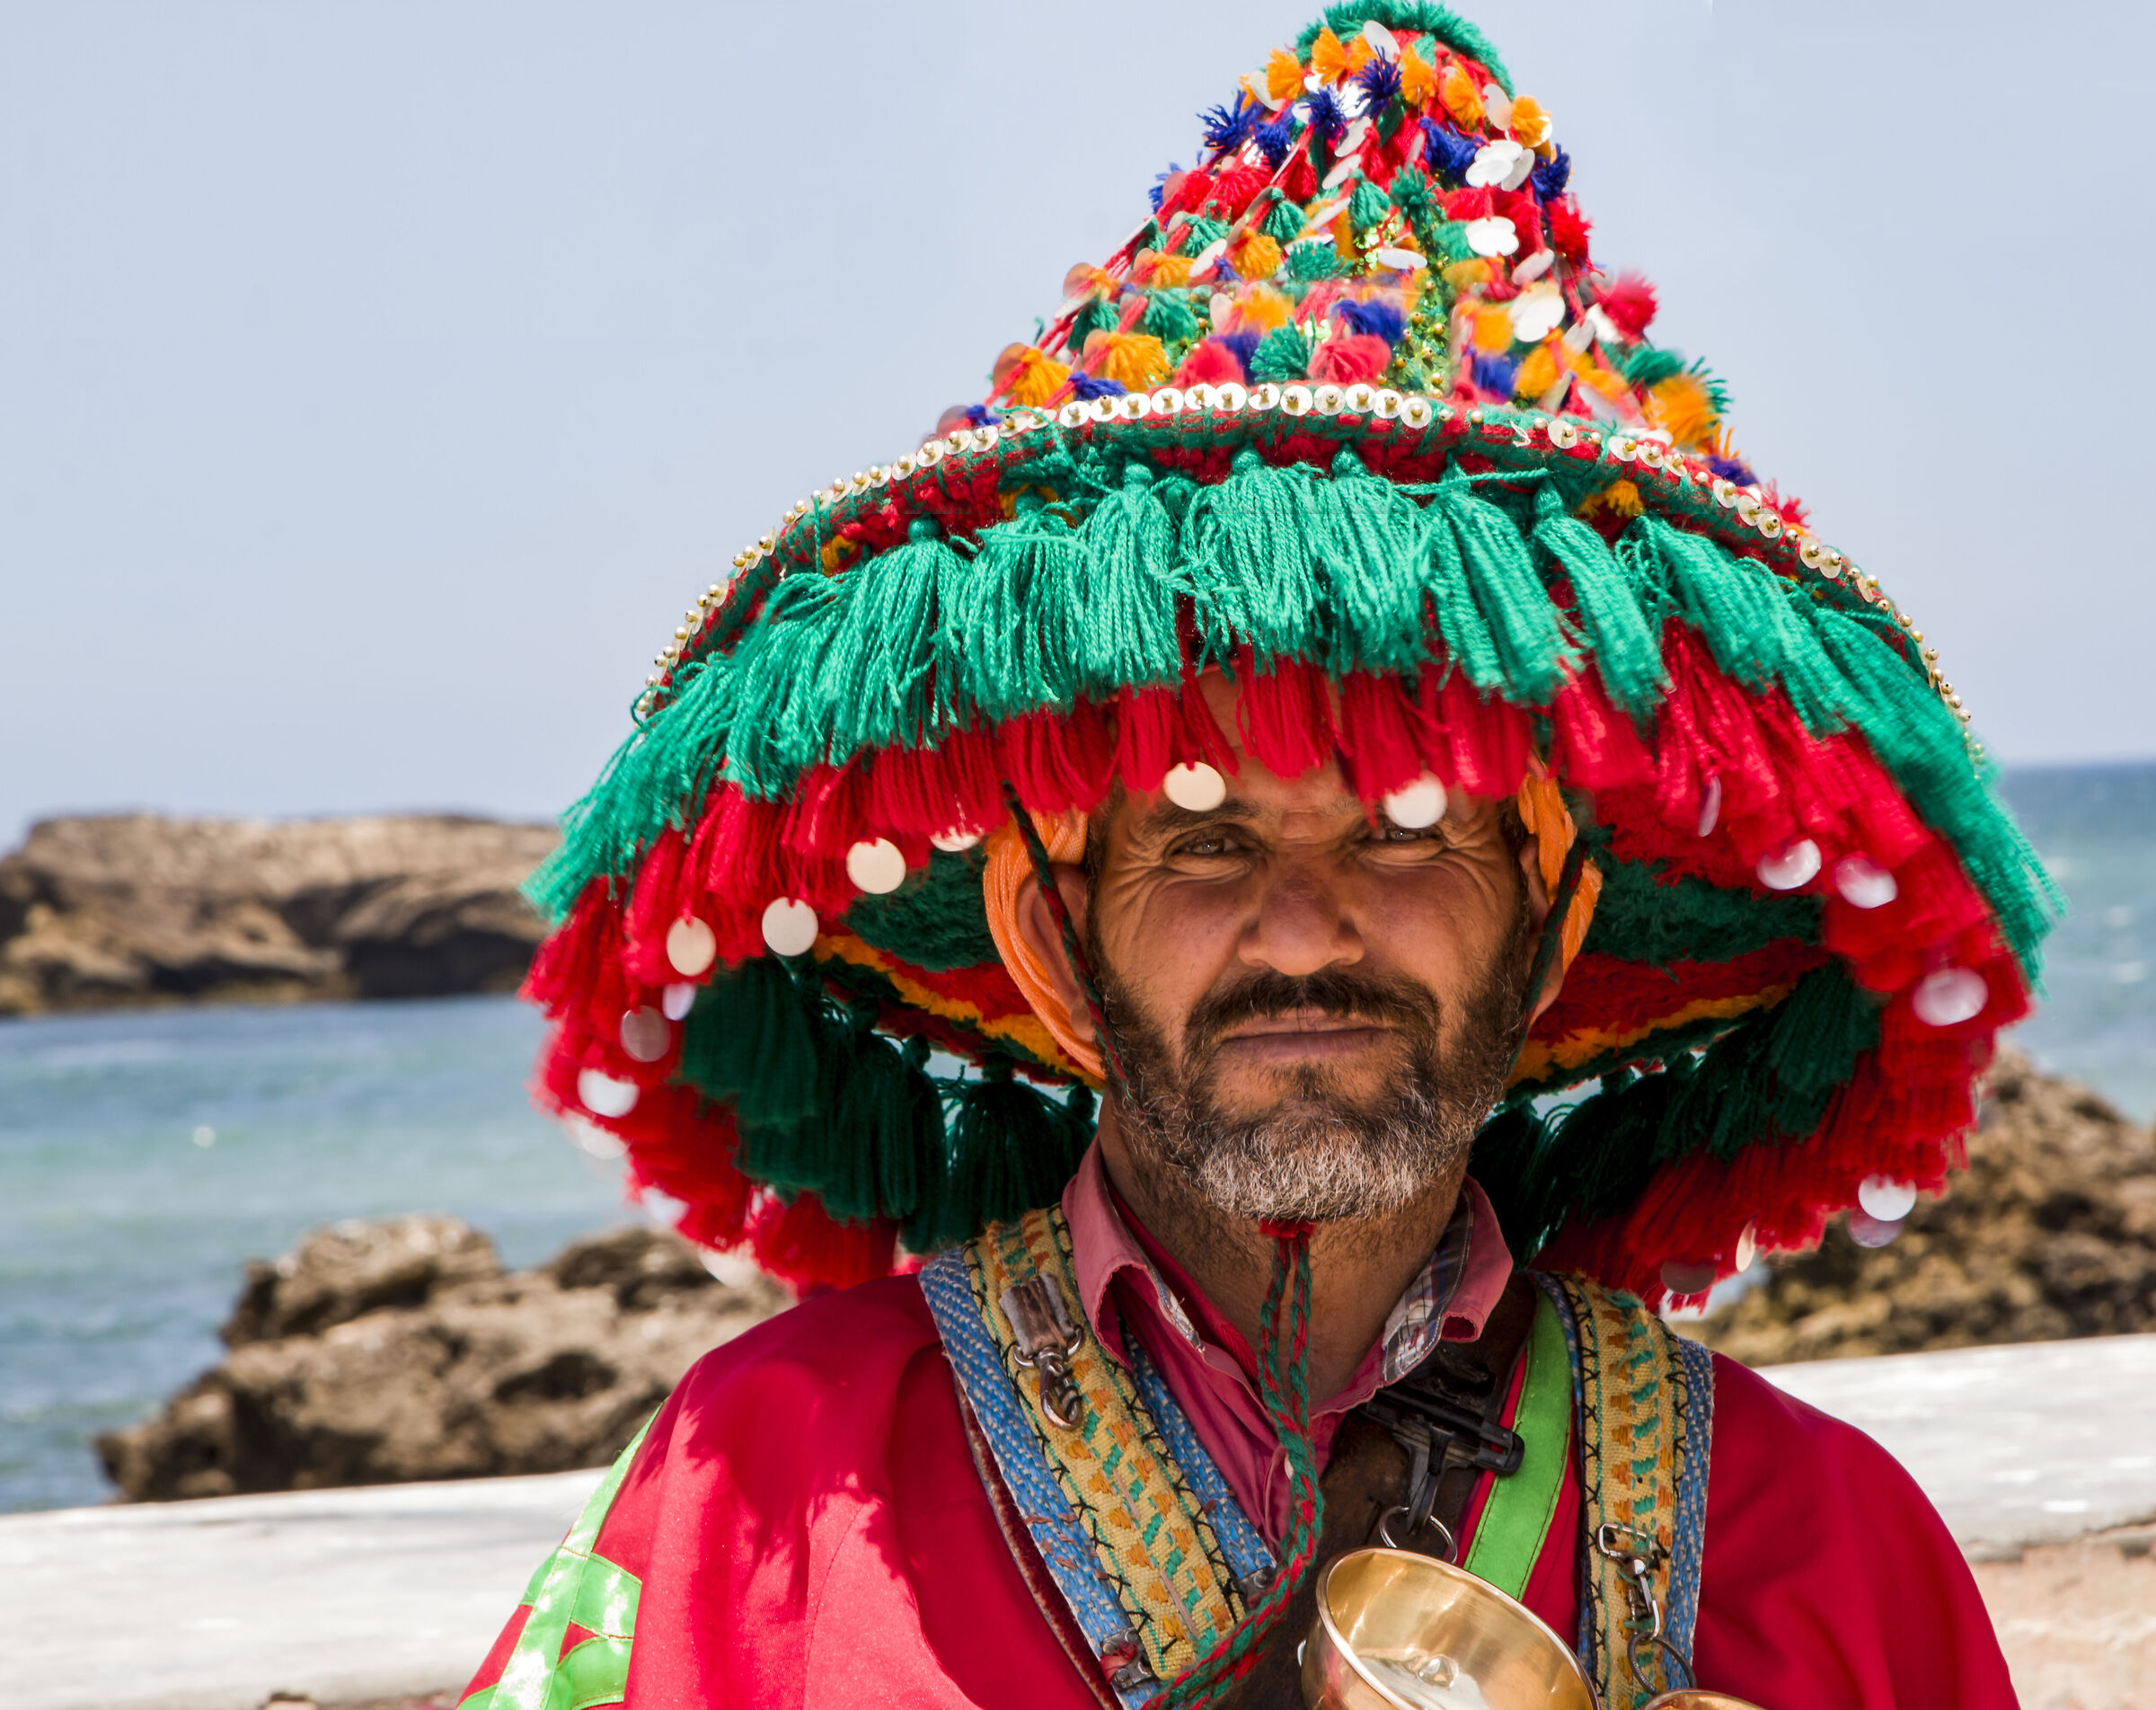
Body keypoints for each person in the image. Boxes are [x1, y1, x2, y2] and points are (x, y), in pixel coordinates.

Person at [462, 5, 2052, 1706]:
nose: (1305, 930)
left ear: (1559, 914)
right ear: (1047, 935)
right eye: (1205, 840)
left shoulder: (1825, 1553)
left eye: (1413, 829)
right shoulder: (744, 1505)